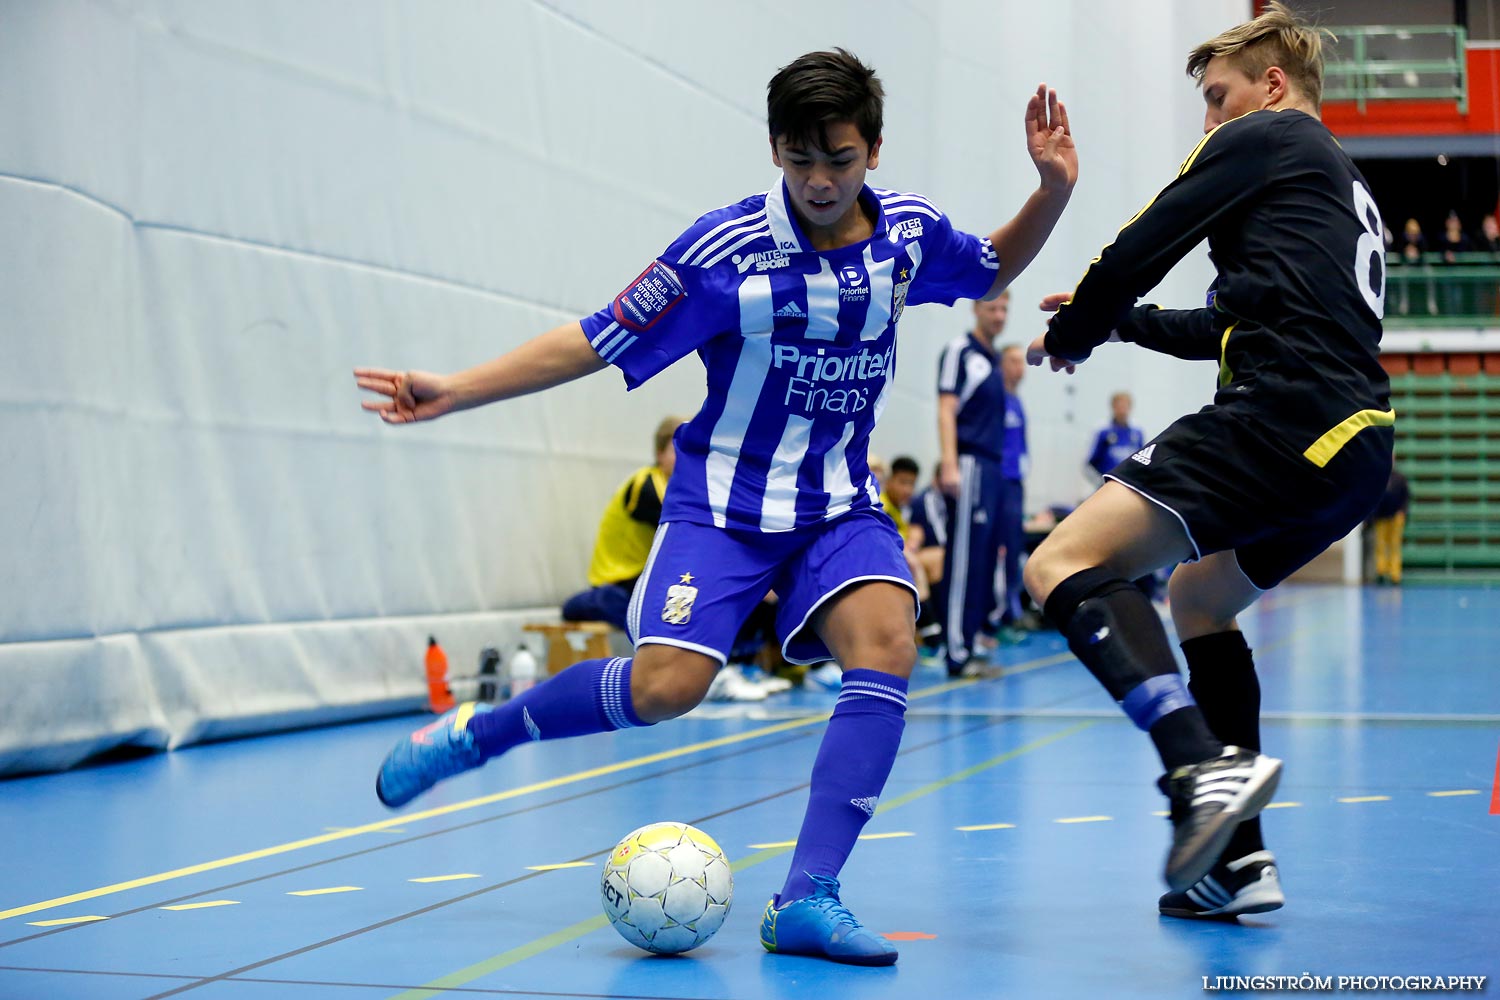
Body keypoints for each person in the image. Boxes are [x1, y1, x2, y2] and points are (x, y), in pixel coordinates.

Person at [357, 49, 1077, 965]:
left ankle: (808, 898)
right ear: (774, 149)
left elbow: (984, 268)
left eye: (840, 160)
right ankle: (480, 732)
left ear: (875, 152)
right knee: (666, 689)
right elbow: (593, 339)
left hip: (839, 506)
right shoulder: (720, 253)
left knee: (889, 640)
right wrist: (457, 388)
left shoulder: (906, 234)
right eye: (797, 158)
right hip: (722, 510)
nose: (818, 181)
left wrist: (1050, 190)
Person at [1022, 1, 1393, 919]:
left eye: (1216, 97)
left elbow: (1143, 244)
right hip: (1354, 445)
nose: (1209, 121)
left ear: (1271, 86)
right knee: (1199, 599)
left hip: (1282, 412)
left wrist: (1076, 329)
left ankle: (1199, 771)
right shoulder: (1338, 181)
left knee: (1060, 561)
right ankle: (1238, 864)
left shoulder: (1265, 136)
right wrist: (1118, 326)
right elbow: (1227, 324)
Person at [934, 293, 1014, 675]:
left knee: (983, 559)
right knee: (963, 560)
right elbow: (946, 408)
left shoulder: (995, 360)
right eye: (992, 308)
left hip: (993, 468)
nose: (998, 316)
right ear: (976, 309)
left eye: (1003, 309)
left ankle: (969, 639)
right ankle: (955, 652)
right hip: (969, 463)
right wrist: (950, 463)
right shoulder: (960, 352)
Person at [561, 416, 686, 632]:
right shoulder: (647, 484)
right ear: (659, 454)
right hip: (620, 581)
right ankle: (590, 601)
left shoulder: (680, 488)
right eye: (678, 450)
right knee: (653, 620)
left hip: (645, 581)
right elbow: (683, 536)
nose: (686, 458)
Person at [995, 343, 1029, 634]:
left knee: (1015, 549)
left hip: (1015, 484)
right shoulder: (996, 398)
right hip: (998, 483)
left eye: (1023, 362)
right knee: (998, 550)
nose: (1021, 367)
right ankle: (996, 614)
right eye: (1014, 361)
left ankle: (1011, 608)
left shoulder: (1017, 402)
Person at [1086, 392, 1146, 484]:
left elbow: (1142, 461)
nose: (1122, 411)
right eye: (1119, 407)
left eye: (1125, 407)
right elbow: (1090, 463)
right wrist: (1100, 482)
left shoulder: (1137, 432)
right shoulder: (1103, 430)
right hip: (1107, 483)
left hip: (1129, 484)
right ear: (1113, 407)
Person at [1370, 465, 1409, 585]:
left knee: (1394, 545)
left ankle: (1395, 574)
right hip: (1381, 517)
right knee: (1380, 545)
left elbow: (1406, 496)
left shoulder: (1400, 478)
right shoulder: (1379, 476)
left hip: (1396, 517)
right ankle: (1381, 572)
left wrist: (1403, 511)